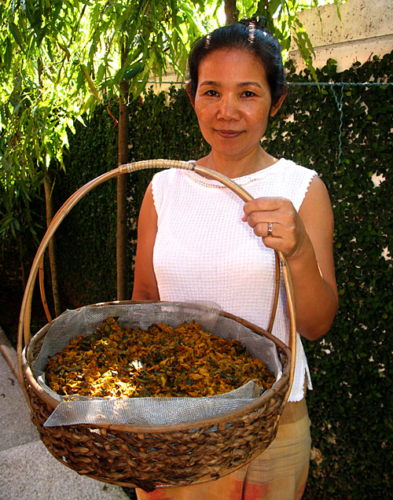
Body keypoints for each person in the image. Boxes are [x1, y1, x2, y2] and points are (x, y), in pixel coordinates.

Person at [131, 18, 338, 500]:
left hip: (271, 419)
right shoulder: (164, 189)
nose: (227, 112)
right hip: (173, 413)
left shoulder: (302, 189)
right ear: (191, 98)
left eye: (247, 93)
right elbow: (143, 302)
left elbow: (316, 324)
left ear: (276, 101)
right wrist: (136, 415)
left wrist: (300, 250)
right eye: (211, 92)